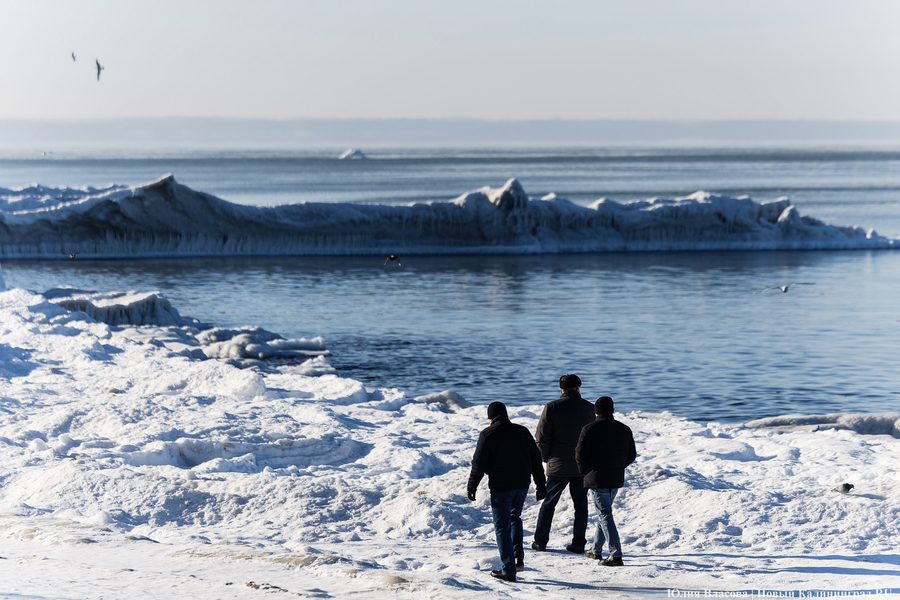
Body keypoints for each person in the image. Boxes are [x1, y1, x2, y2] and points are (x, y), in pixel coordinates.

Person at [468, 401, 547, 583]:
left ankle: (508, 570)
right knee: (514, 519)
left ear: (491, 417)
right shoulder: (522, 431)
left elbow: (478, 463)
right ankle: (518, 558)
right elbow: (536, 459)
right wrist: (540, 485)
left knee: (502, 527)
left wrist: (472, 486)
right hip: (521, 485)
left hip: (501, 486)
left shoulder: (487, 434)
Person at [532, 374, 596, 553]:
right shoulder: (590, 408)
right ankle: (578, 544)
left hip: (557, 466)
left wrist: (546, 459)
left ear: (561, 390)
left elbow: (541, 437)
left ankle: (540, 542)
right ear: (578, 388)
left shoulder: (551, 407)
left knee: (548, 504)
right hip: (581, 467)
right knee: (581, 506)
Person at [575, 396, 636, 566]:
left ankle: (615, 555)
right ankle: (595, 550)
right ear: (612, 410)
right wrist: (618, 467)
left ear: (596, 412)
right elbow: (631, 455)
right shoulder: (624, 429)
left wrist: (585, 472)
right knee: (605, 514)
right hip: (615, 478)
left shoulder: (589, 429)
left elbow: (579, 455)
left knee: (604, 515)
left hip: (597, 479)